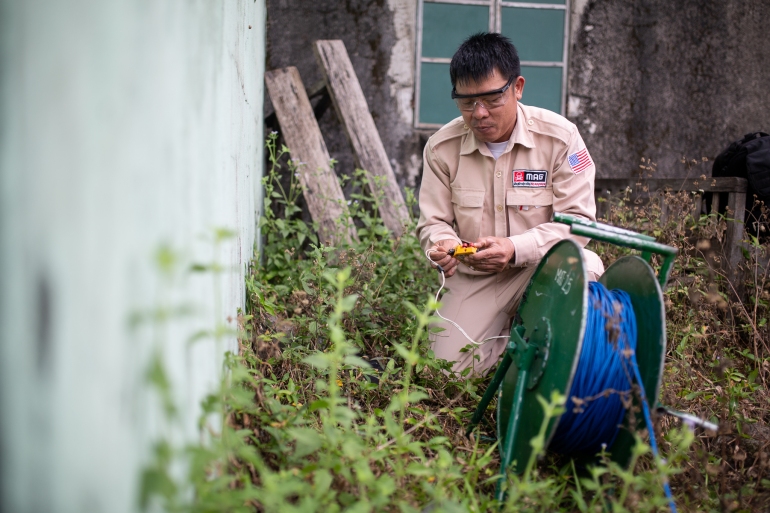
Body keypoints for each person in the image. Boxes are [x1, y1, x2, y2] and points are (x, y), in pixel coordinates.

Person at [417, 32, 604, 376]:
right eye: (466, 101)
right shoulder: (442, 148)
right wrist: (440, 243)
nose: (479, 113)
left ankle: (553, 361)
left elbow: (579, 221)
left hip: (542, 268)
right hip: (477, 278)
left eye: (491, 98)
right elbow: (433, 221)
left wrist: (516, 248)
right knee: (443, 372)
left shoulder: (560, 138)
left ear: (517, 87)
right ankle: (507, 345)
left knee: (585, 267)